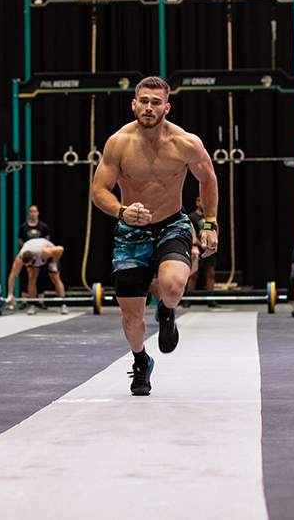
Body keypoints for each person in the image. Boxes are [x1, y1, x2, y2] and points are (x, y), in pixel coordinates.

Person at [92, 76, 218, 396]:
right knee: (132, 318)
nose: (149, 107)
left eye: (156, 102)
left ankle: (166, 310)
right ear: (133, 104)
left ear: (167, 107)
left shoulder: (186, 143)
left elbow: (209, 179)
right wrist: (122, 211)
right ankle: (141, 361)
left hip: (172, 224)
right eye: (144, 101)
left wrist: (210, 224)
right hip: (131, 232)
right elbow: (98, 191)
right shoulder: (118, 143)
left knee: (173, 288)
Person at [6, 237, 67, 314]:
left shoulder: (45, 252)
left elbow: (60, 249)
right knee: (31, 277)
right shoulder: (20, 258)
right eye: (27, 265)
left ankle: (63, 304)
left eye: (30, 264)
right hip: (36, 256)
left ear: (34, 258)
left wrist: (54, 262)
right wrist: (10, 294)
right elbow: (12, 275)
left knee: (55, 278)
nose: (28, 266)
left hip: (50, 257)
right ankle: (33, 304)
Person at [187, 195, 218, 307]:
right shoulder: (192, 216)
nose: (201, 203)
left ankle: (211, 298)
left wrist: (212, 244)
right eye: (199, 200)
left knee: (210, 274)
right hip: (197, 248)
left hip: (209, 248)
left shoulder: (210, 217)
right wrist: (199, 245)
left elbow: (215, 229)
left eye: (203, 201)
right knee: (194, 274)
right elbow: (191, 232)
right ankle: (188, 298)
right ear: (196, 202)